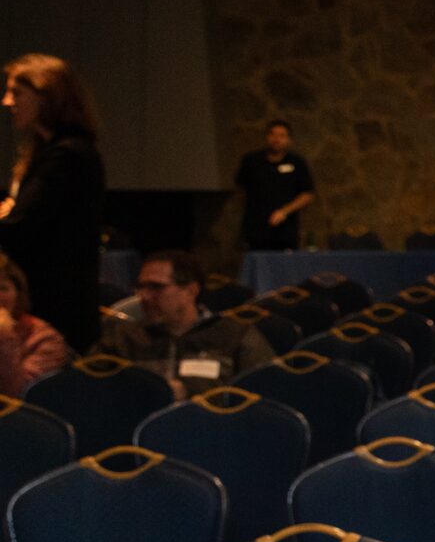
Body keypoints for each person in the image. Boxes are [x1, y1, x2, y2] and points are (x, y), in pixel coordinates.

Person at [0, 53, 106, 352]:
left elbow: (17, 227)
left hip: (56, 304)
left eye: (16, 92)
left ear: (46, 96)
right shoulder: (48, 152)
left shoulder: (67, 155)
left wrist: (10, 214)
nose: (8, 102)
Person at [97, 251, 276, 399]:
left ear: (191, 291)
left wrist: (189, 394)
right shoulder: (125, 337)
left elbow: (265, 394)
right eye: (141, 287)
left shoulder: (233, 334)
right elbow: (91, 388)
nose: (144, 296)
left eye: (155, 287)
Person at [234, 119, 317, 251]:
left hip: (285, 231)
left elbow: (307, 194)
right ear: (267, 136)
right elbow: (240, 188)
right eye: (273, 134)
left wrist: (284, 212)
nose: (276, 139)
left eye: (281, 135)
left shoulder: (296, 163)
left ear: (289, 139)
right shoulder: (251, 161)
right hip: (256, 229)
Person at [0, 256, 71, 395]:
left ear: (18, 294)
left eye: (2, 288)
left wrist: (4, 336)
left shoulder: (46, 340)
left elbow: (15, 396)